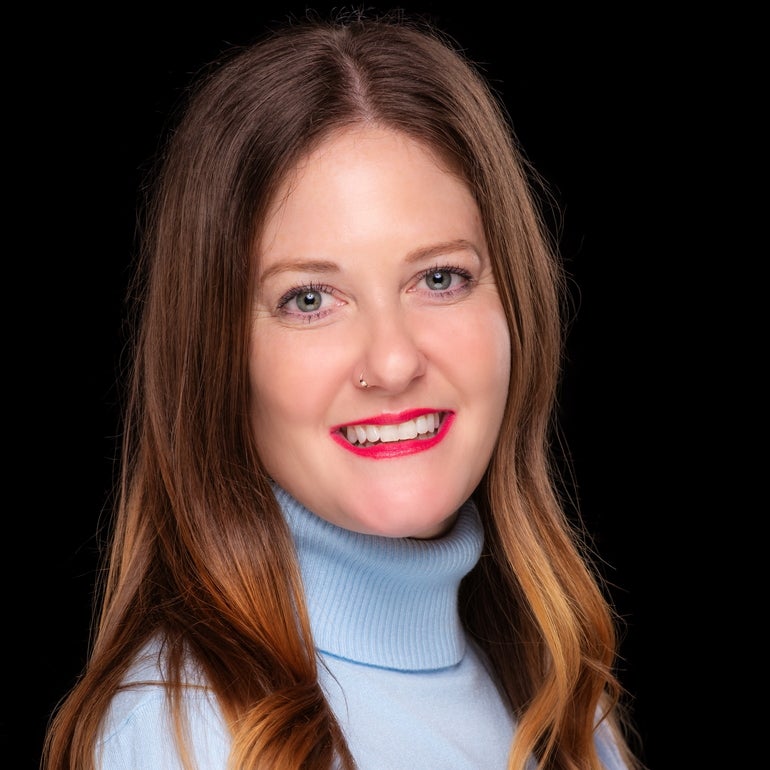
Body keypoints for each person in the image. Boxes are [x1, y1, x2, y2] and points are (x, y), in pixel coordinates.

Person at [42, 9, 644, 770]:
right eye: (309, 300)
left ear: (514, 309)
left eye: (439, 278)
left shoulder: (568, 705)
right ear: (219, 356)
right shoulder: (186, 738)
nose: (392, 363)